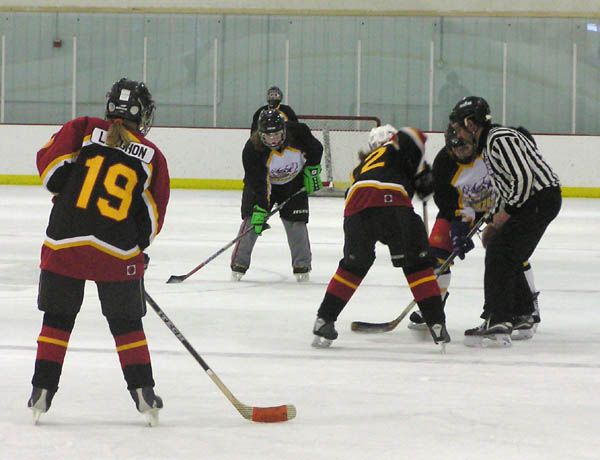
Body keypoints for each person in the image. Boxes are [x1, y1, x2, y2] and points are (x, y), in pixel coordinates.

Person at [28, 78, 170, 425]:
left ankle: (41, 391)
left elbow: (50, 174)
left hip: (64, 242)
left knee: (57, 320)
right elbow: (151, 219)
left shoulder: (83, 129)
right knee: (126, 325)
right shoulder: (152, 156)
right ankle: (143, 393)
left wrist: (70, 188)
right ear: (142, 115)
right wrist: (137, 249)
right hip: (116, 251)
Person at [311, 124, 450, 348]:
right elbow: (414, 136)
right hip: (393, 203)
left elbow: (355, 192)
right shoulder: (398, 149)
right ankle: (436, 323)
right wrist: (425, 177)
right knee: (416, 265)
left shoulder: (362, 166)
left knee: (353, 265)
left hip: (356, 208)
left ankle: (324, 319)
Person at [408, 124, 543, 340]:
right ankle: (433, 308)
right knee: (436, 254)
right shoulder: (444, 163)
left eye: (465, 147)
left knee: (510, 253)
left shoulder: (491, 151)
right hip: (463, 209)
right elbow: (446, 201)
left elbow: (516, 179)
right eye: (455, 149)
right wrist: (458, 227)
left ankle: (528, 306)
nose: (460, 152)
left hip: (500, 207)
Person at [449, 96, 561, 347]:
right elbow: (506, 186)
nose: (457, 134)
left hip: (538, 200)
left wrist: (504, 215)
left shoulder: (499, 138)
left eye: (459, 128)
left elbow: (523, 179)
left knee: (500, 251)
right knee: (505, 251)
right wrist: (492, 219)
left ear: (471, 123)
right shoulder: (490, 144)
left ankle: (499, 319)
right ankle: (522, 314)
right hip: (532, 201)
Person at [231, 108, 323, 282]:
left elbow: (316, 149)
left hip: (294, 183)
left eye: (276, 135)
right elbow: (258, 183)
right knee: (252, 220)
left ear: (284, 131)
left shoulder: (299, 132)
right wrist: (260, 207)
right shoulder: (252, 149)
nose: (272, 140)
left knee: (296, 222)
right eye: (268, 136)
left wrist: (312, 171)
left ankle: (301, 265)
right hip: (264, 186)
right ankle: (239, 264)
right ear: (261, 134)